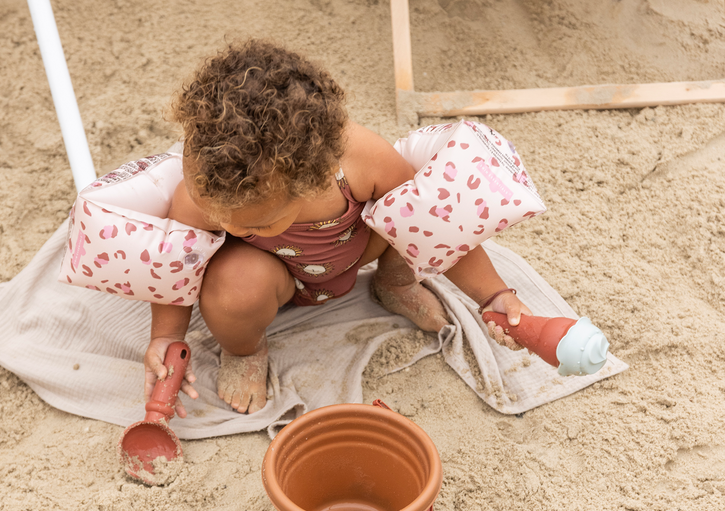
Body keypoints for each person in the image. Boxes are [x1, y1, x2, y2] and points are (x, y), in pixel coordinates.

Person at [145, 39, 530, 415]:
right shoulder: (206, 181)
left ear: (312, 180)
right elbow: (176, 266)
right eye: (215, 213)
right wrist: (166, 336)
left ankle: (394, 284)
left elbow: (437, 227)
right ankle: (245, 349)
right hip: (272, 277)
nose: (224, 225)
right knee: (234, 291)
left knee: (409, 213)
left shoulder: (362, 162)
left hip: (355, 250)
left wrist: (493, 295)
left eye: (255, 222)